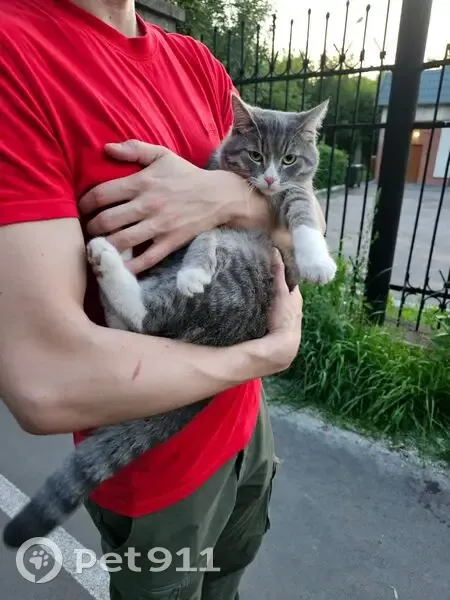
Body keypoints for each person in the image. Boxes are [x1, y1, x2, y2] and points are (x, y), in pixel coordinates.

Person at [0, 1, 324, 598]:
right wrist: (267, 355)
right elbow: (44, 383)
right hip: (157, 471)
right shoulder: (14, 51)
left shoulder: (196, 62)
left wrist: (223, 198)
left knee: (229, 581)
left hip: (245, 432)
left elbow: (301, 227)